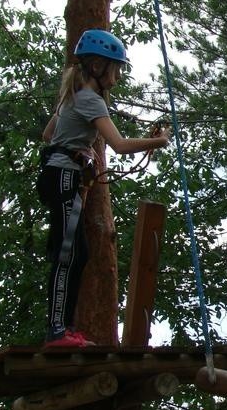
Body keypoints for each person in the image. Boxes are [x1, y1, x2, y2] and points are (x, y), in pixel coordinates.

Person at [37, 29, 171, 348]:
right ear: (97, 66)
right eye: (116, 67)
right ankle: (57, 332)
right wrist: (159, 141)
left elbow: (48, 134)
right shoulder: (90, 99)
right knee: (68, 254)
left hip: (56, 176)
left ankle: (63, 329)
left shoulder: (74, 95)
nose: (119, 74)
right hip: (64, 180)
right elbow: (120, 145)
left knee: (77, 253)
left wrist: (78, 148)